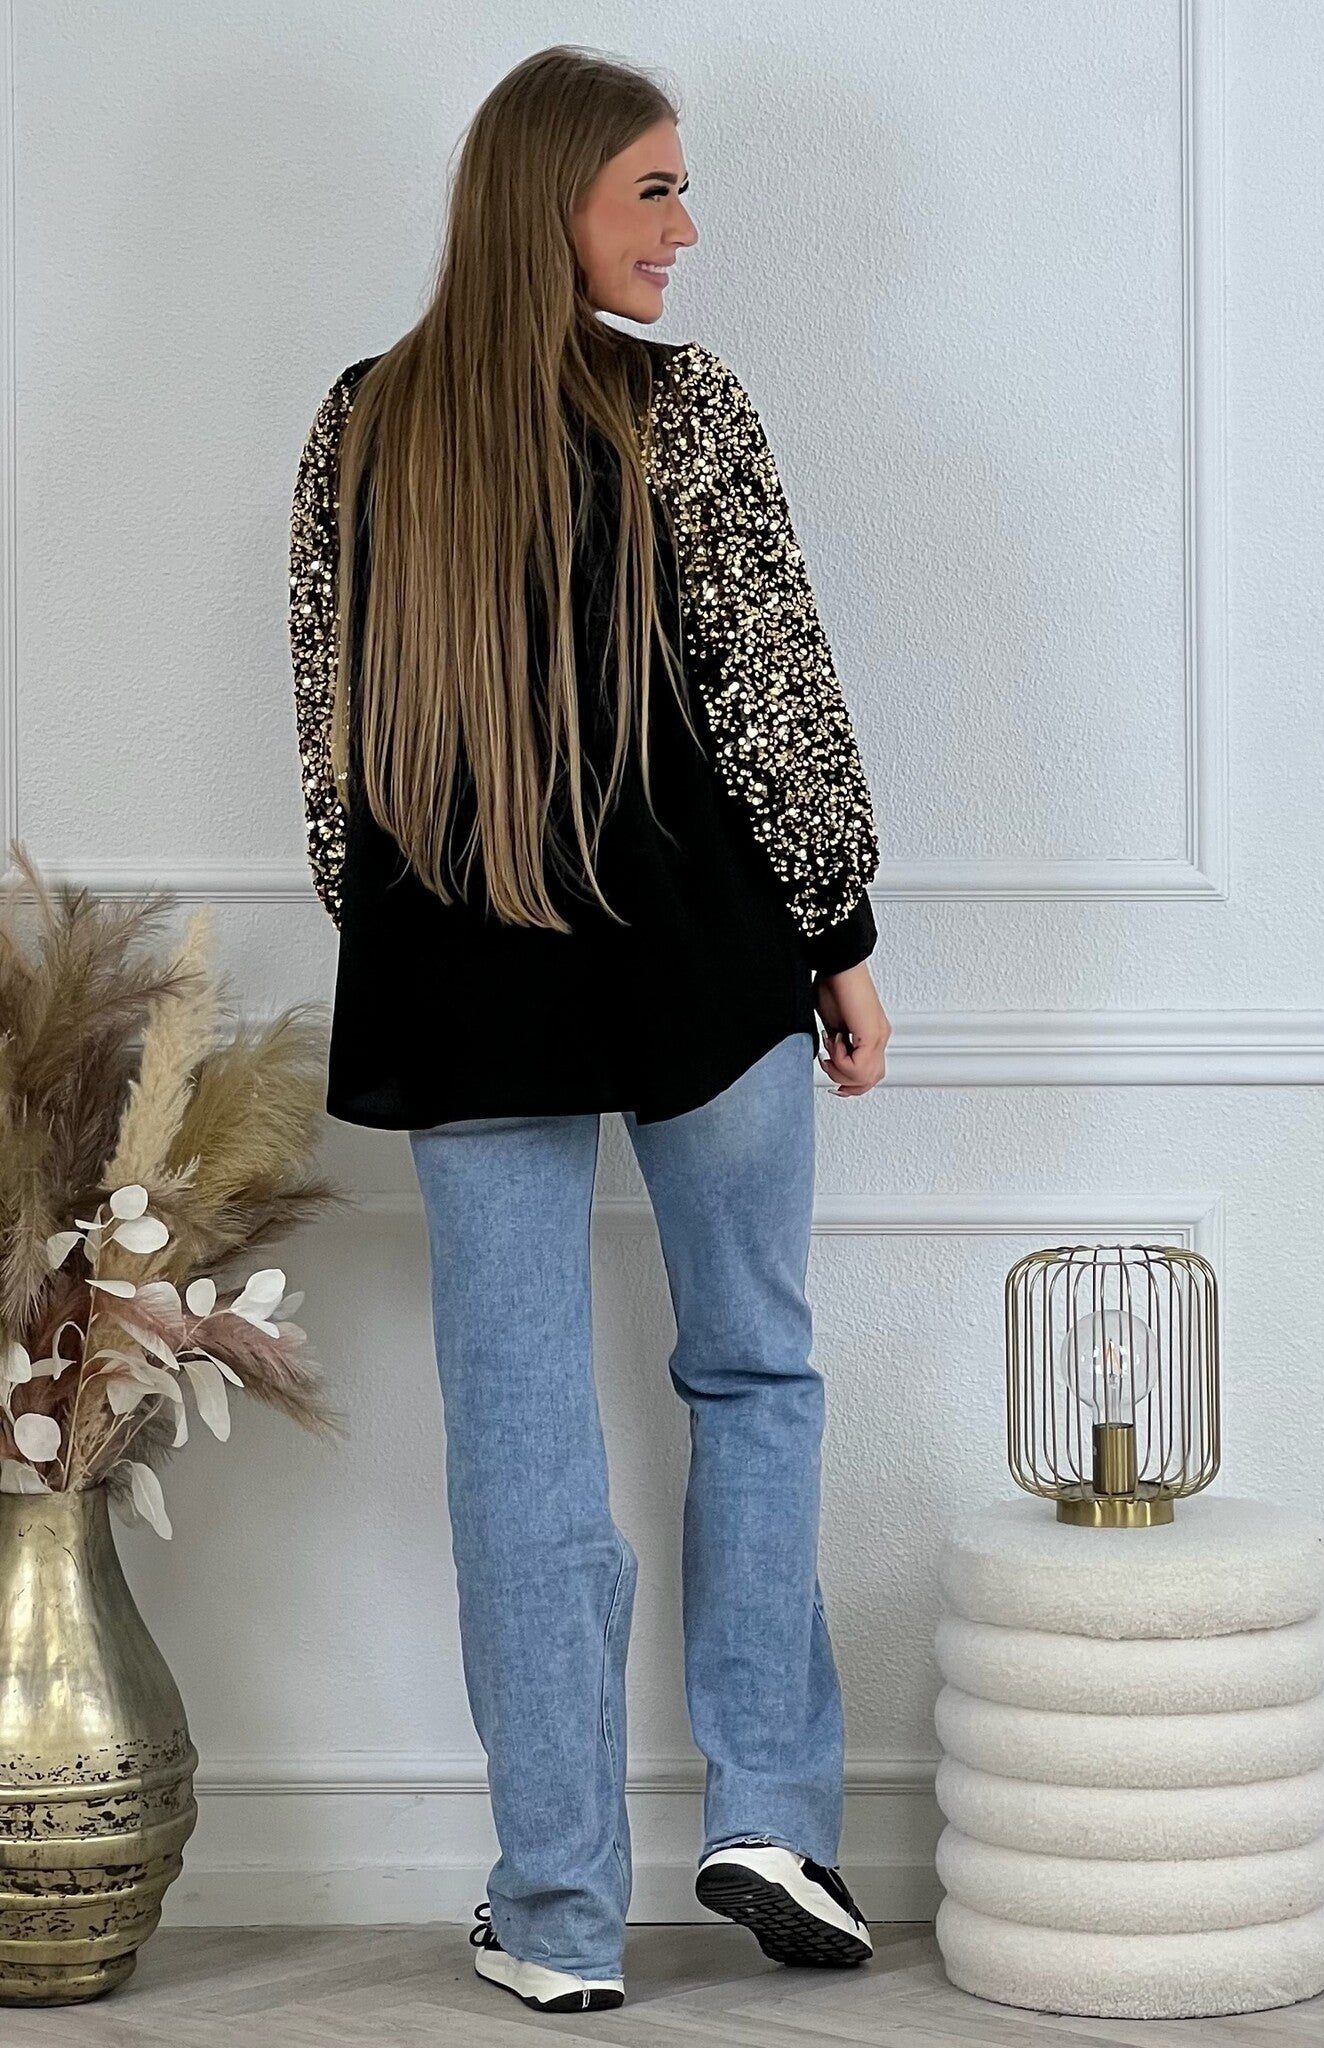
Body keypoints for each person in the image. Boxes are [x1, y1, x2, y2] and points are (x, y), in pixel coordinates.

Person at [288, 43, 890, 2018]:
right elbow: (774, 697)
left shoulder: (362, 426)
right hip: (703, 957)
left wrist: (425, 941)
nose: (685, 228)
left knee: (519, 1430)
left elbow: (335, 764)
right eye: (653, 188)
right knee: (752, 1368)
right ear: (548, 198)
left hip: (463, 982)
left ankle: (553, 1911)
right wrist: (838, 937)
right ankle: (771, 1814)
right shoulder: (678, 409)